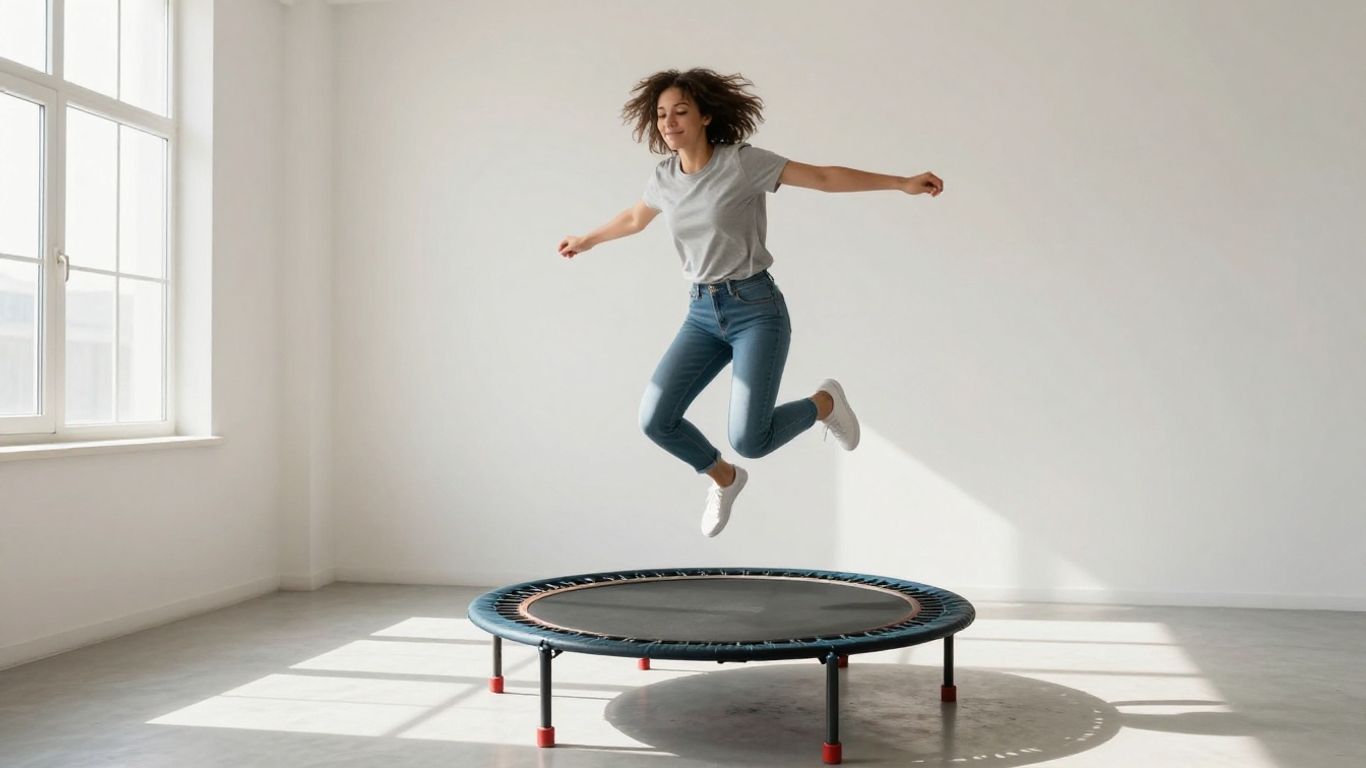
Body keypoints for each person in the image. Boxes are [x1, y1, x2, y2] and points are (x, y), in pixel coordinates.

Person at [558, 68, 943, 537]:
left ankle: (825, 403)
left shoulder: (740, 163)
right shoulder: (664, 176)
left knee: (750, 439)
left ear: (705, 116)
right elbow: (635, 218)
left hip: (755, 309)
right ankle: (724, 478)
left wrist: (900, 182)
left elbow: (821, 177)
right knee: (656, 419)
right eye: (661, 114)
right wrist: (587, 240)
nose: (668, 121)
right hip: (701, 313)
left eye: (680, 111)